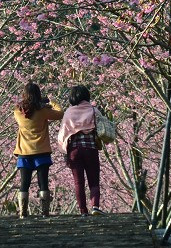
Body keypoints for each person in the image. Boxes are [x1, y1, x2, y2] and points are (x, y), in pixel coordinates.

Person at [12, 81, 63, 217]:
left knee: (24, 183)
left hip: (24, 152)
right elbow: (60, 114)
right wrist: (52, 102)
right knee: (43, 182)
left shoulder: (18, 112)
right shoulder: (44, 111)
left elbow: (26, 110)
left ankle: (23, 212)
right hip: (42, 151)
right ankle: (45, 212)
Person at [58, 84, 103, 216]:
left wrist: (64, 151)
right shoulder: (94, 110)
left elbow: (63, 134)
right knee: (94, 180)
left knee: (79, 182)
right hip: (91, 149)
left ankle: (83, 211)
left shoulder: (69, 112)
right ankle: (95, 206)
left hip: (74, 151)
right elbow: (102, 128)